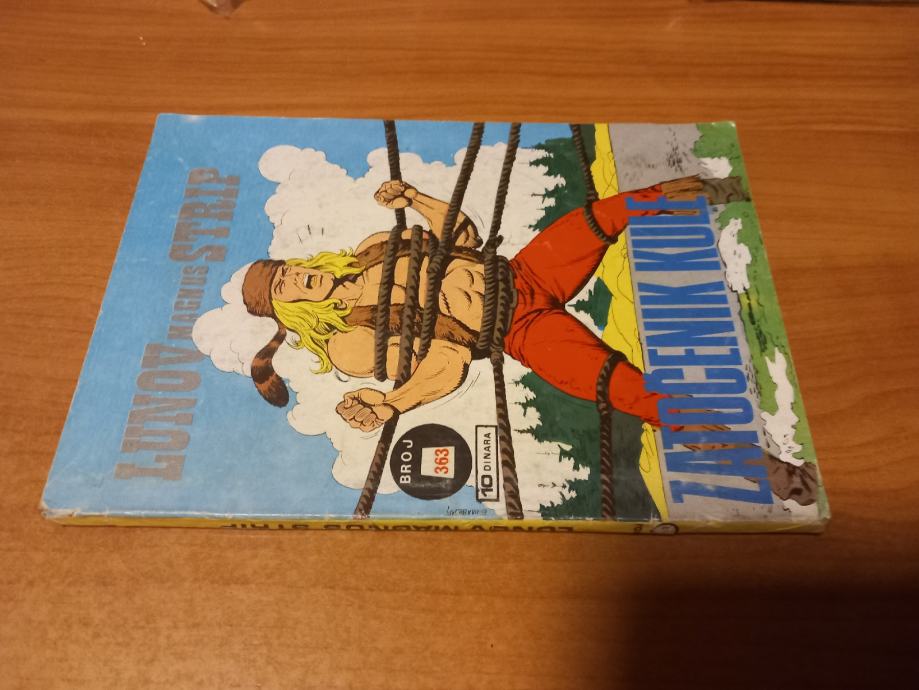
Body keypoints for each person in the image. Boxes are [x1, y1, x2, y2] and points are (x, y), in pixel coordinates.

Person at [241, 177, 728, 433]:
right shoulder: (348, 345)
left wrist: (416, 198)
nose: (297, 277)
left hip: (524, 271)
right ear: (289, 310)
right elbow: (445, 362)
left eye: (288, 269)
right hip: (521, 332)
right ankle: (732, 446)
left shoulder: (371, 249)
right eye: (285, 287)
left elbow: (463, 237)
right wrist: (392, 405)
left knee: (604, 214)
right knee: (619, 386)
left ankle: (717, 190)